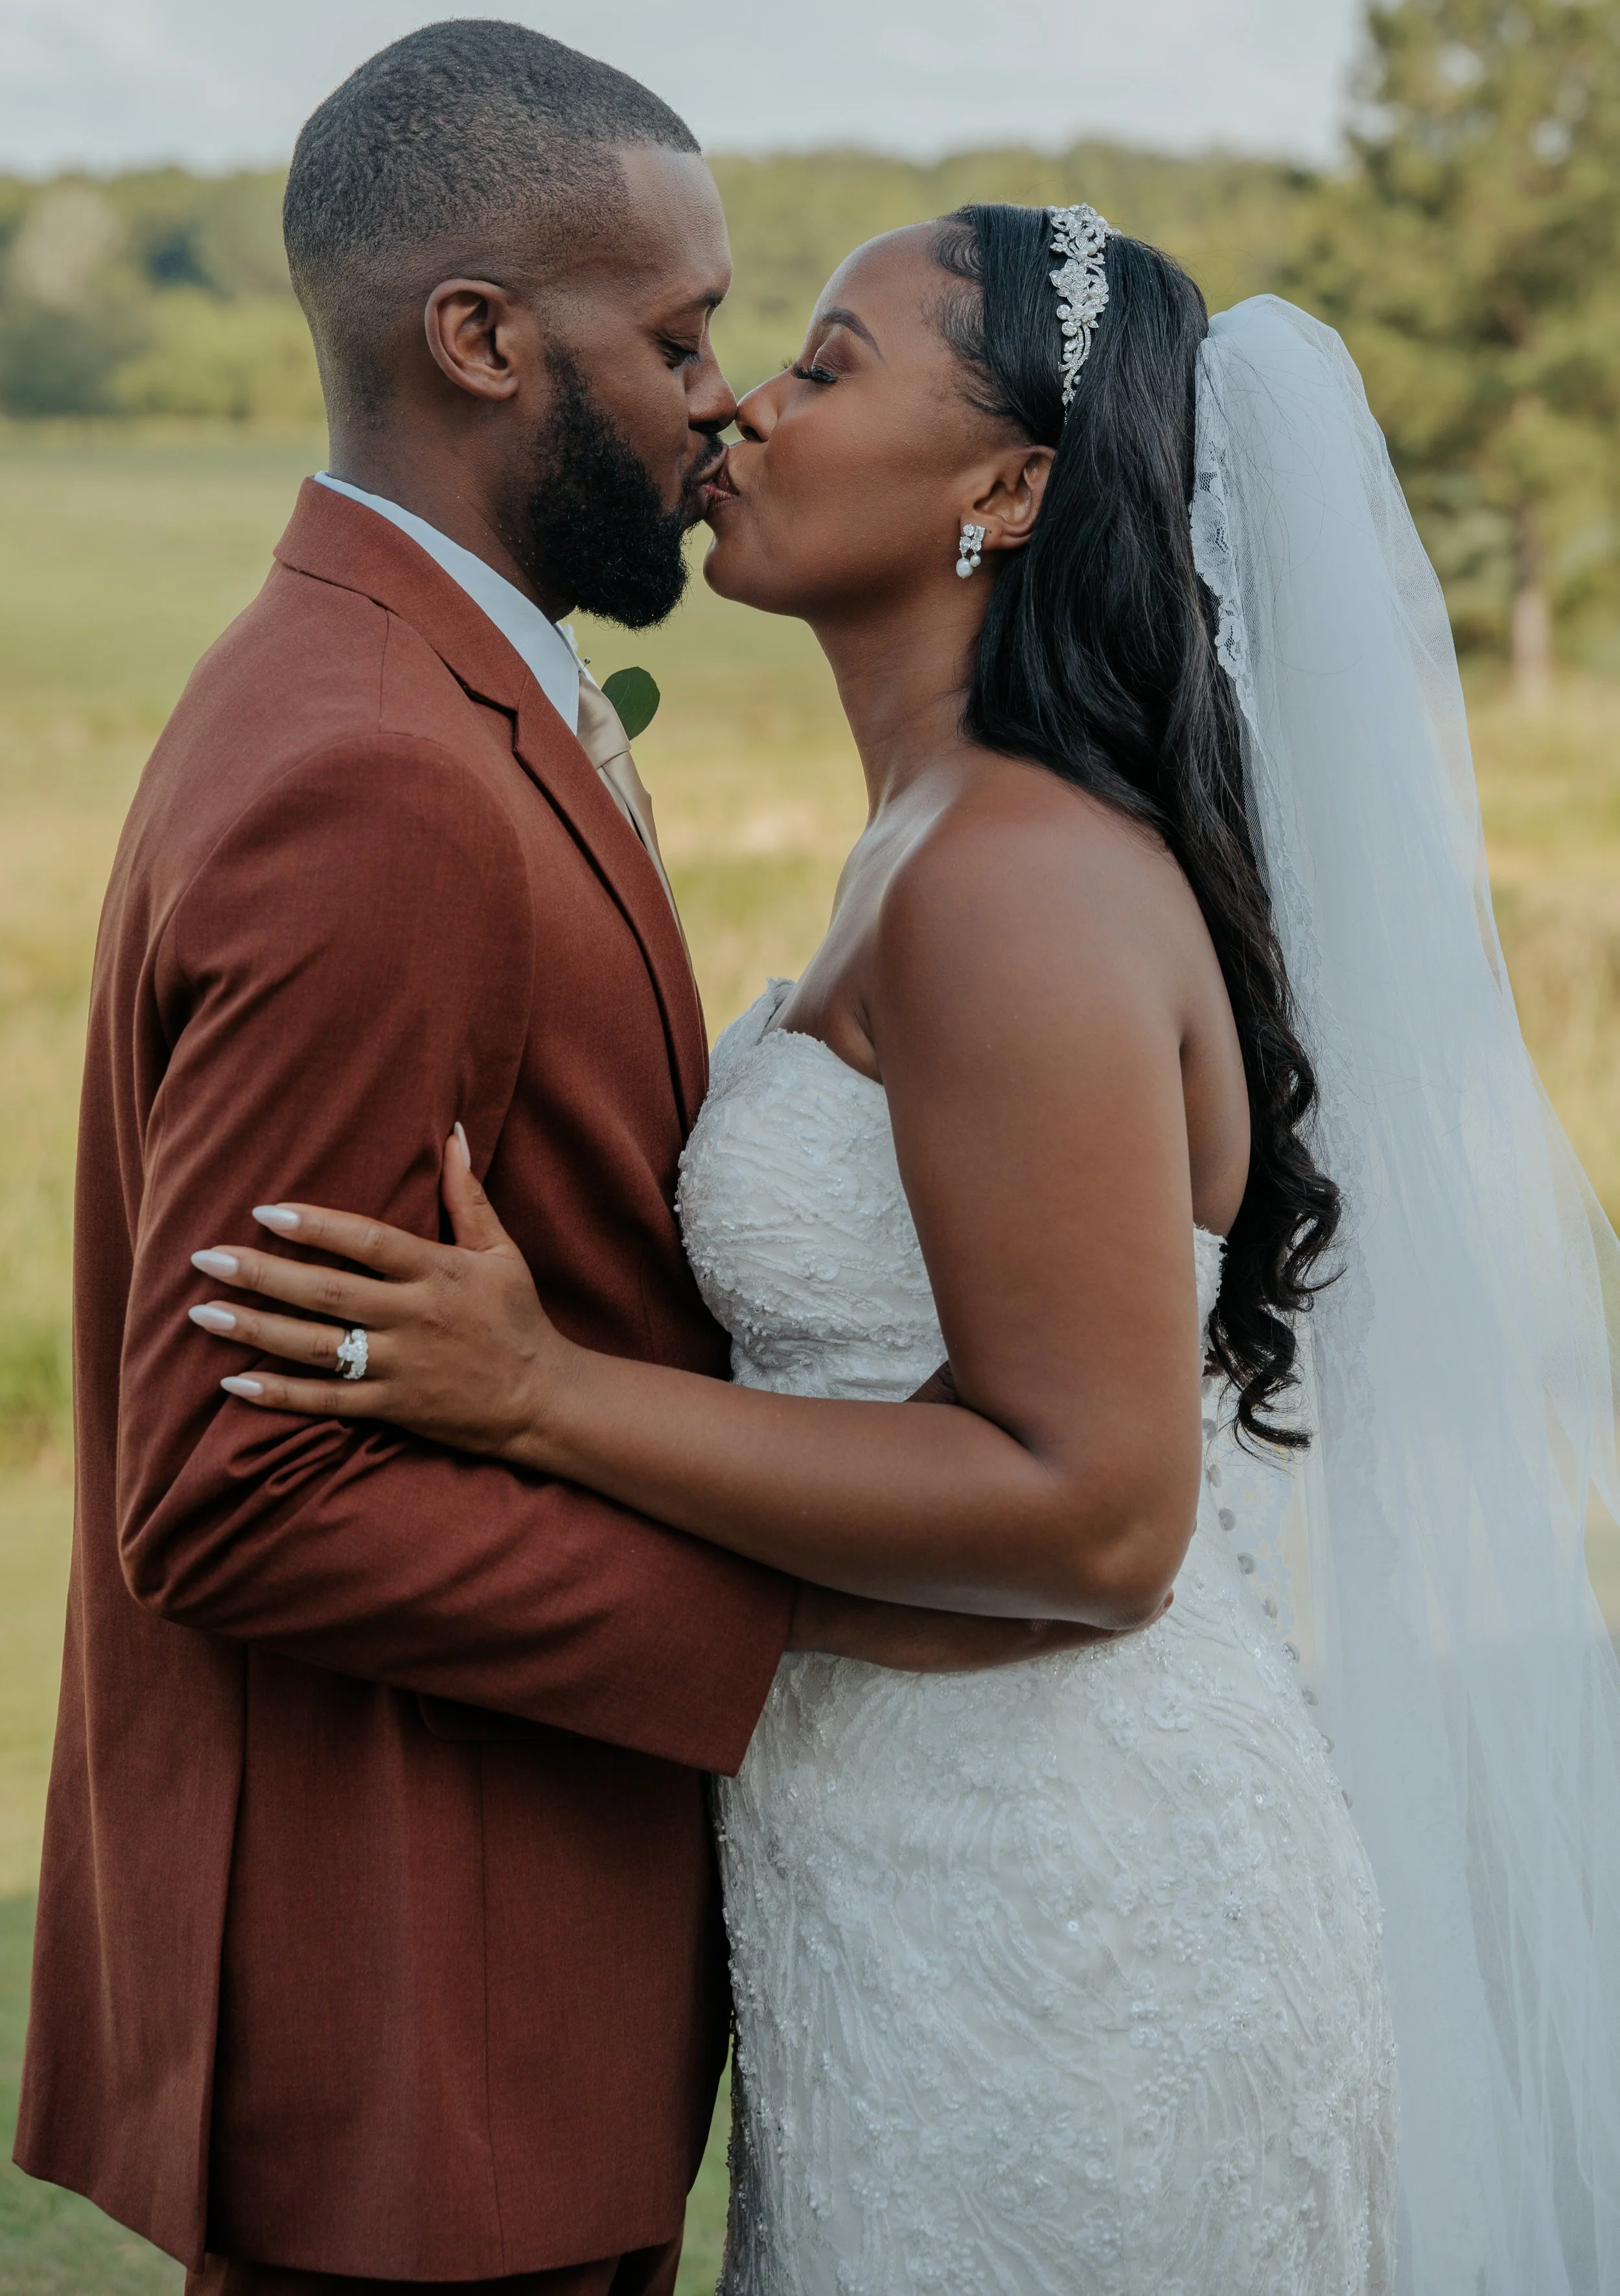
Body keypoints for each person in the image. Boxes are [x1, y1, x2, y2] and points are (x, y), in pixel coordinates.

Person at [201, 203, 1620, 2293]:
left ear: (1010, 487)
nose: (742, 406)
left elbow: (1094, 1507)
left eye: (828, 362)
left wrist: (539, 1394)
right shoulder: (932, 844)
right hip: (902, 1882)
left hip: (1065, 1920)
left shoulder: (1010, 883)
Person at [12, 27, 1108, 2296]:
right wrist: (799, 1622)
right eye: (684, 334)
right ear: (484, 339)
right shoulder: (382, 772)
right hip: (432, 2035)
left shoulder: (411, 685)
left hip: (516, 2026)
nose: (724, 401)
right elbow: (232, 1484)